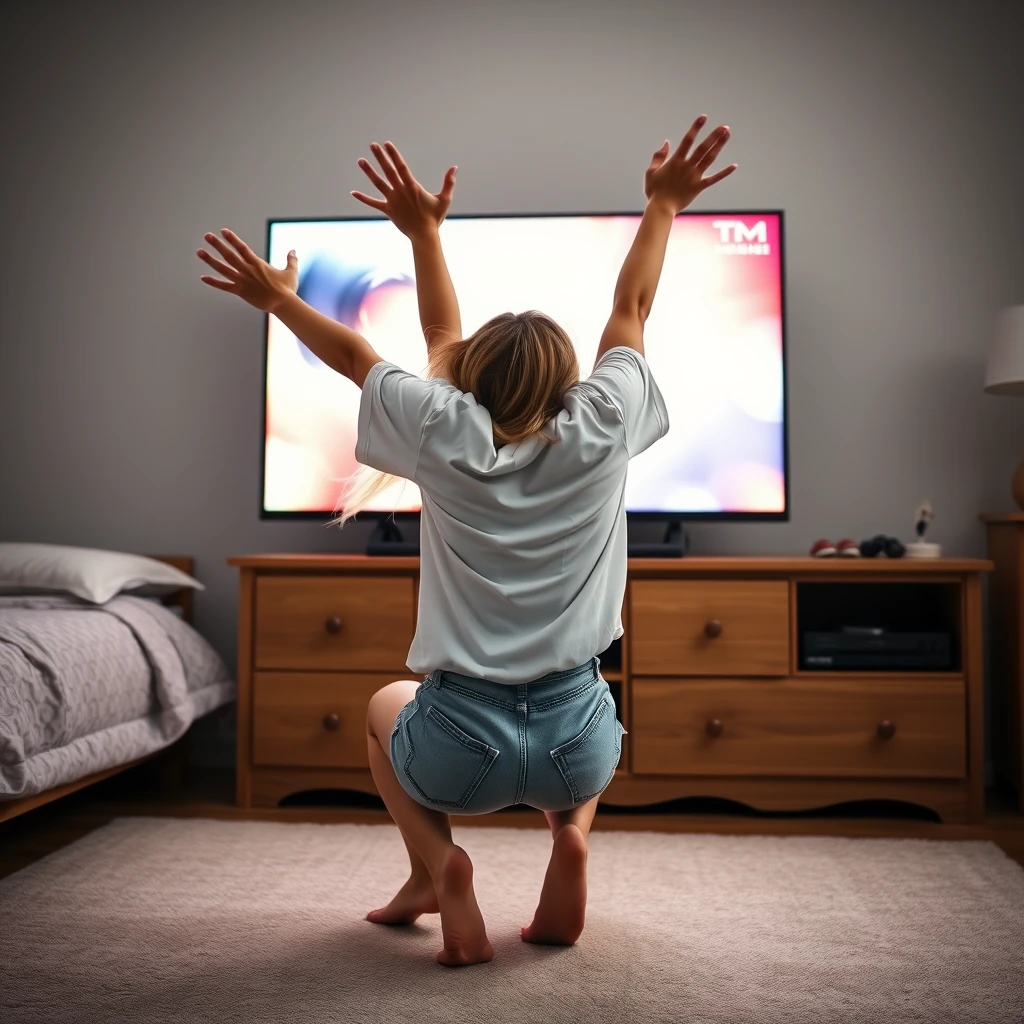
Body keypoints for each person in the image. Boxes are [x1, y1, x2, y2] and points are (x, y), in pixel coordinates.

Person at [196, 116, 736, 967]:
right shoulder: (602, 424)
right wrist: (664, 204)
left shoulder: (443, 432)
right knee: (598, 721)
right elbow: (630, 308)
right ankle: (572, 837)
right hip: (574, 749)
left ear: (467, 385)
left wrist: (285, 296)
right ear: (572, 383)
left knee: (382, 711)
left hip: (460, 749)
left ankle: (439, 863)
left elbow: (372, 353)